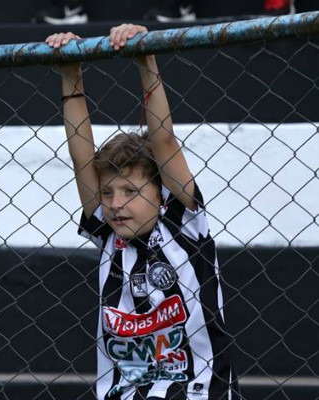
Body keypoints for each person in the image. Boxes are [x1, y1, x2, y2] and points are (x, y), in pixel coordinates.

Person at [46, 24, 238, 399]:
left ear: (161, 194)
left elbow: (163, 140)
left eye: (131, 192)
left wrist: (145, 60)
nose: (116, 204)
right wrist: (71, 74)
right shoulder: (107, 231)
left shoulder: (182, 222)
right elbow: (81, 154)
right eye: (107, 193)